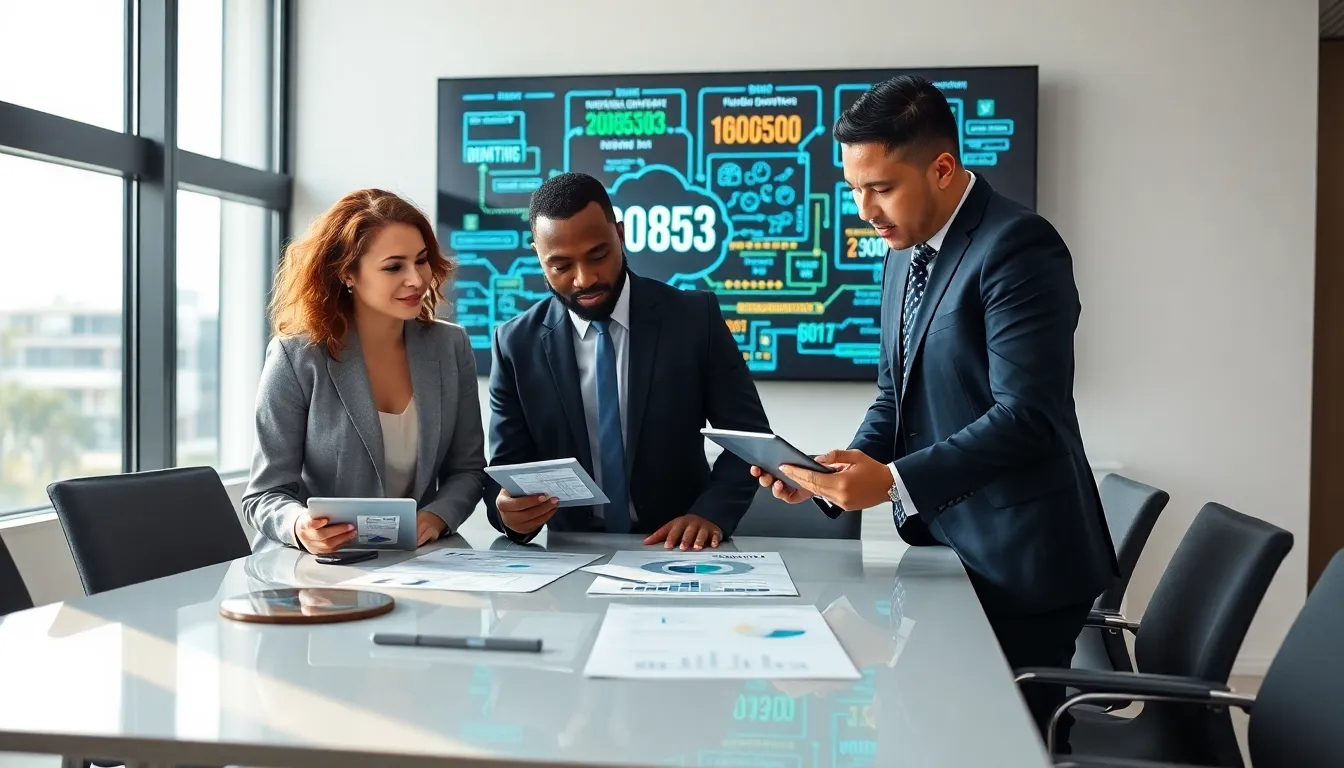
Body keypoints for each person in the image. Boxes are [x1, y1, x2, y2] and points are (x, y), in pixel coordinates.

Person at [751, 76, 1118, 749]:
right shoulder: (904, 252)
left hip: (1020, 564)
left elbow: (1027, 414)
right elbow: (895, 395)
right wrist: (834, 471)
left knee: (987, 747)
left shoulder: (1019, 247)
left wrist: (890, 481)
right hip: (951, 555)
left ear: (942, 169)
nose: (865, 208)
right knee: (918, 735)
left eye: (881, 187)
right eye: (855, 189)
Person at [486, 171, 770, 548]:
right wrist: (509, 513)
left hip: (679, 549)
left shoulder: (693, 319)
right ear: (539, 257)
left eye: (598, 255)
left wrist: (711, 513)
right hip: (570, 557)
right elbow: (507, 473)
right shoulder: (515, 344)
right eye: (561, 266)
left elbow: (749, 440)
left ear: (619, 235)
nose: (584, 279)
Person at [242, 189, 486, 554]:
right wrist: (299, 525)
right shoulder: (296, 356)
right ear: (348, 274)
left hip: (421, 564)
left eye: (421, 261)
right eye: (394, 267)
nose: (417, 280)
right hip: (318, 572)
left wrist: (436, 517)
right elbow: (265, 494)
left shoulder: (451, 347)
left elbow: (467, 470)